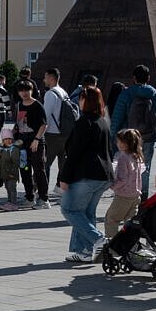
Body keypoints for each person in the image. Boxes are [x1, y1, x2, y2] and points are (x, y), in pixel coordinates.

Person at [57, 85, 113, 263]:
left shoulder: (84, 122)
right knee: (86, 213)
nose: (78, 101)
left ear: (86, 101)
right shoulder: (102, 121)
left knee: (69, 209)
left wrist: (63, 179)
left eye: (81, 97)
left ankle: (98, 239)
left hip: (86, 175)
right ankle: (84, 251)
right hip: (103, 175)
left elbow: (74, 153)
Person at [109, 65, 156, 195]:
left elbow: (117, 118)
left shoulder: (126, 94)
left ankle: (127, 195)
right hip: (148, 138)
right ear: (148, 78)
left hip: (128, 138)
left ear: (134, 78)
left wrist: (113, 137)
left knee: (126, 166)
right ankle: (142, 198)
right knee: (145, 167)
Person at [12, 81, 48, 209]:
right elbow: (18, 124)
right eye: (21, 90)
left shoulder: (37, 105)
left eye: (27, 90)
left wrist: (37, 139)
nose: (24, 93)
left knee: (38, 169)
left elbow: (44, 124)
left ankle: (43, 199)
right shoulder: (19, 105)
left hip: (35, 142)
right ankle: (29, 197)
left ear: (32, 90)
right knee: (25, 169)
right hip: (22, 142)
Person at [105, 128, 144, 242]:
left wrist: (111, 186)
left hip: (123, 195)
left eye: (118, 141)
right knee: (130, 223)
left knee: (111, 219)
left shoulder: (123, 157)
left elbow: (122, 179)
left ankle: (112, 246)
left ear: (125, 143)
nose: (117, 144)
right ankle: (132, 245)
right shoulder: (136, 155)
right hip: (135, 195)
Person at [40, 68, 72, 193]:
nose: (44, 80)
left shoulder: (50, 94)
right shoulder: (63, 92)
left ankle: (40, 190)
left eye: (46, 77)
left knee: (44, 163)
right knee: (62, 163)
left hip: (52, 134)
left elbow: (45, 116)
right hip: (65, 133)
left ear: (52, 78)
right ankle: (60, 187)